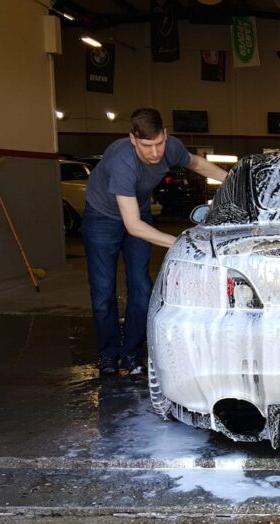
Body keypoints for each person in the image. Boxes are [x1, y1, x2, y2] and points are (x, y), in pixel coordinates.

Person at [82, 107, 228, 377]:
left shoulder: (170, 147)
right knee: (103, 292)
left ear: (165, 134)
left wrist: (232, 180)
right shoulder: (122, 161)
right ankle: (108, 355)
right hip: (102, 218)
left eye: (158, 143)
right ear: (133, 139)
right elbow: (133, 226)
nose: (154, 152)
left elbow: (196, 163)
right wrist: (179, 242)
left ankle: (133, 354)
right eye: (146, 146)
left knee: (142, 287)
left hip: (138, 210)